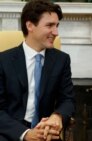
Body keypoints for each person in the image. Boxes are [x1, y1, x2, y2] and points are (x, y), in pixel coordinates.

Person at [0, 0, 75, 140]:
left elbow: (68, 99)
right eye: (49, 25)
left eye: (57, 26)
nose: (56, 32)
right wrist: (25, 134)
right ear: (30, 25)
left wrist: (57, 116)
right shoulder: (3, 61)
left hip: (46, 132)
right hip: (10, 133)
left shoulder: (62, 60)